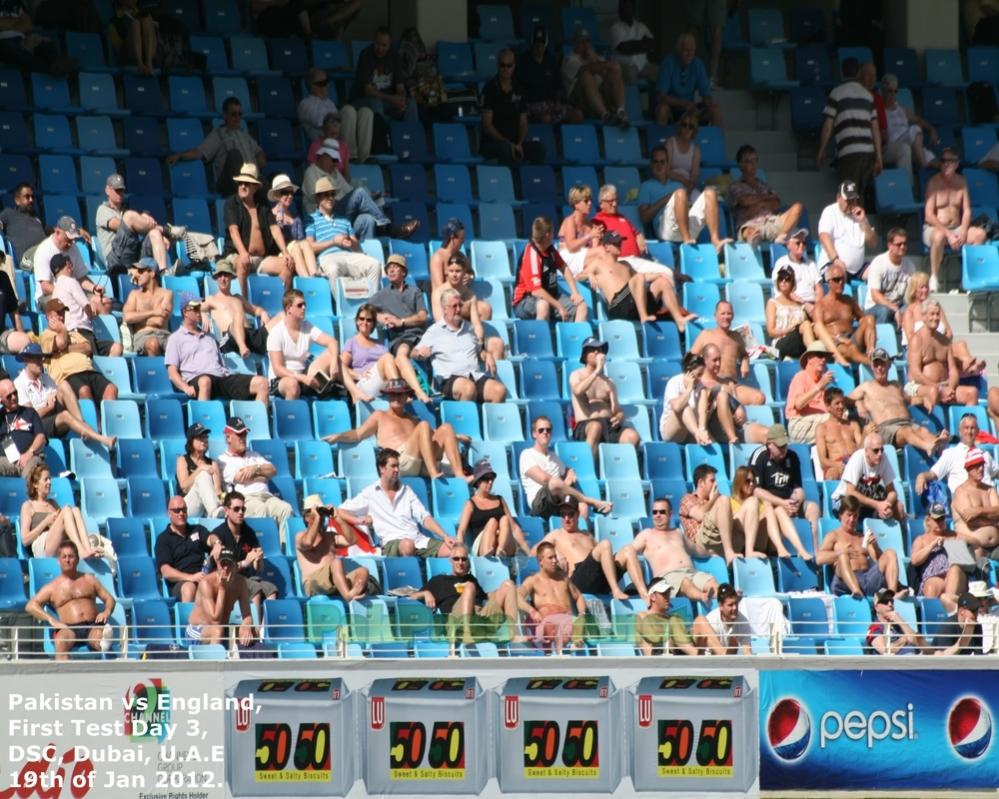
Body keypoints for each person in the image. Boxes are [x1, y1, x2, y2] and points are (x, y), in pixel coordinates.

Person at [326, 379, 470, 480]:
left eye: (400, 394)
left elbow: (434, 436)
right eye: (393, 394)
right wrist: (339, 436)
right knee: (424, 426)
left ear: (406, 396)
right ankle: (434, 474)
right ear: (388, 396)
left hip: (420, 461)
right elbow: (358, 434)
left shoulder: (412, 418)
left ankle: (460, 476)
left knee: (446, 428)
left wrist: (455, 436)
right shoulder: (379, 416)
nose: (396, 397)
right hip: (399, 462)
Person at [337, 448, 458, 557]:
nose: (397, 470)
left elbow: (424, 517)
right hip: (391, 543)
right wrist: (359, 520)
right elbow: (340, 511)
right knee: (407, 545)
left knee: (455, 551)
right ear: (382, 468)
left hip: (418, 540)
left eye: (398, 466)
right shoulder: (370, 493)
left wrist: (445, 536)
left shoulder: (407, 490)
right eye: (393, 466)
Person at [411, 542, 526, 645]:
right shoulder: (439, 580)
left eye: (463, 559)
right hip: (456, 621)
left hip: (479, 617)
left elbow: (485, 596)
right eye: (456, 559)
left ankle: (513, 634)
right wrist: (426, 593)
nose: (460, 562)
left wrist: (500, 593)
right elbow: (412, 597)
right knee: (469, 586)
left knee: (509, 584)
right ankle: (467, 633)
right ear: (450, 560)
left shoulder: (471, 578)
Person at [534, 498, 646, 602]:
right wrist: (556, 553)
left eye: (570, 514)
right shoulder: (556, 534)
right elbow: (534, 551)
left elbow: (602, 557)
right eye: (563, 515)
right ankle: (615, 590)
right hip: (578, 581)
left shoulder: (587, 535)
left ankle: (644, 594)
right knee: (605, 544)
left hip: (598, 579)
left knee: (629, 550)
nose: (566, 519)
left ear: (578, 515)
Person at [165, 296, 270, 403]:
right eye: (195, 309)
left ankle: (260, 419)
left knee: (262, 383)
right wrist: (185, 388)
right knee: (205, 381)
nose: (199, 311)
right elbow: (172, 372)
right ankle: (201, 419)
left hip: (220, 378)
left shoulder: (210, 337)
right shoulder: (175, 338)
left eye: (199, 308)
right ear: (185, 312)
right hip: (197, 379)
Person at [849, 347, 950, 457]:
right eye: (876, 365)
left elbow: (910, 399)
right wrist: (858, 404)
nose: (879, 368)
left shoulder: (896, 385)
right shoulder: (866, 387)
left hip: (907, 423)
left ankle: (939, 444)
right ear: (872, 367)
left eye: (882, 364)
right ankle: (927, 446)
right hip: (887, 428)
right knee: (907, 431)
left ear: (889, 366)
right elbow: (846, 399)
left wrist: (924, 400)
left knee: (922, 430)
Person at [302, 141, 414, 239]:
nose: (335, 163)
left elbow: (350, 192)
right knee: (360, 192)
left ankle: (367, 256)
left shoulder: (335, 172)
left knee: (367, 218)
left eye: (337, 160)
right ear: (322, 156)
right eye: (333, 159)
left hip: (341, 219)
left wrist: (369, 196)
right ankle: (389, 228)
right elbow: (318, 199)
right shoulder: (311, 172)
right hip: (324, 218)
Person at [412, 289, 507, 403]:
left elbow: (478, 351)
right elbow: (413, 353)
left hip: (474, 376)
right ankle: (468, 420)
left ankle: (490, 420)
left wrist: (486, 354)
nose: (458, 309)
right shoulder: (434, 331)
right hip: (449, 380)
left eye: (460, 306)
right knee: (468, 389)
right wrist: (419, 353)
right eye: (454, 306)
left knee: (499, 390)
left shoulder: (469, 328)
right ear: (444, 308)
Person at [13, 343, 115, 449]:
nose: (40, 362)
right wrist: (48, 408)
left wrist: (54, 394)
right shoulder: (19, 384)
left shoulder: (46, 378)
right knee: (65, 415)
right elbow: (30, 418)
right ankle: (101, 438)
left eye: (40, 358)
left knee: (64, 385)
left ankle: (82, 424)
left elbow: (59, 393)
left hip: (53, 417)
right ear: (26, 360)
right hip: (37, 425)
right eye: (35, 358)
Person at [25, 541, 115, 660]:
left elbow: (109, 598)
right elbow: (30, 606)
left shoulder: (89, 579)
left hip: (92, 625)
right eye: (64, 557)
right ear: (59, 561)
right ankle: (64, 676)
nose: (67, 560)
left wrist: (106, 611)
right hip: (69, 628)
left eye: (71, 556)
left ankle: (103, 643)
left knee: (99, 638)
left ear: (77, 559)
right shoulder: (52, 587)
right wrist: (51, 619)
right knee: (61, 642)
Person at [579, 230, 685, 327]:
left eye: (620, 243)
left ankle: (679, 320)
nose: (619, 246)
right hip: (618, 307)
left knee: (662, 282)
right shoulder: (598, 263)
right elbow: (578, 276)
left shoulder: (625, 264)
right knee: (639, 277)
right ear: (606, 247)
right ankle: (644, 317)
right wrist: (589, 275)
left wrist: (660, 275)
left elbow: (641, 279)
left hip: (633, 305)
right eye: (615, 244)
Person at [625, 496, 720, 602]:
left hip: (691, 572)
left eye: (662, 512)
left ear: (670, 514)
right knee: (685, 583)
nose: (658, 515)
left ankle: (727, 602)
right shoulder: (646, 535)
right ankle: (702, 597)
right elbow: (628, 552)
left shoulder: (678, 532)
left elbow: (695, 549)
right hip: (668, 577)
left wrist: (710, 553)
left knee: (711, 581)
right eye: (655, 512)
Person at [637, 145, 730, 252]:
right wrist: (665, 200)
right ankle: (686, 241)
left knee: (710, 193)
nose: (659, 165)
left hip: (685, 224)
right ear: (651, 164)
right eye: (656, 162)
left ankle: (715, 241)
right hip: (666, 229)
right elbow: (644, 217)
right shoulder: (646, 186)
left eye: (662, 162)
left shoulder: (677, 185)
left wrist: (686, 206)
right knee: (680, 193)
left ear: (667, 165)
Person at [166, 97, 266, 196]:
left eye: (240, 114)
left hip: (251, 182)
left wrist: (260, 156)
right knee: (234, 155)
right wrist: (179, 155)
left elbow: (258, 151)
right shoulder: (218, 134)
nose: (237, 117)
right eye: (234, 114)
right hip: (229, 183)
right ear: (225, 115)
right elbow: (199, 152)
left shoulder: (245, 135)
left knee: (269, 182)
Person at [222, 163, 295, 297]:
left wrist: (285, 252)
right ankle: (243, 306)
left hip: (261, 259)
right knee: (241, 262)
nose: (242, 186)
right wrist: (243, 253)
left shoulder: (263, 206)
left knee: (287, 266)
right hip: (236, 254)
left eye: (247, 183)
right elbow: (233, 230)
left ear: (255, 187)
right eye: (240, 183)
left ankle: (281, 307)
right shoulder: (231, 203)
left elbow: (274, 229)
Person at [519, 415, 612, 518]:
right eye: (541, 430)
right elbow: (544, 480)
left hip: (559, 500)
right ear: (534, 434)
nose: (545, 432)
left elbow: (566, 470)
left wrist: (570, 472)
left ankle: (580, 533)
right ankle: (592, 501)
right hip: (540, 503)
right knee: (554, 483)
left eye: (548, 430)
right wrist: (563, 484)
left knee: (583, 507)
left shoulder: (553, 456)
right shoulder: (527, 454)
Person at [817, 57, 882, 202]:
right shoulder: (868, 96)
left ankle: (855, 224)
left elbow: (828, 126)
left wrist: (821, 150)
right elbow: (875, 130)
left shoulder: (836, 93)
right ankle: (860, 223)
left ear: (842, 73)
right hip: (867, 155)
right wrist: (879, 157)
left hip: (849, 155)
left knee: (850, 198)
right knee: (860, 196)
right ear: (858, 73)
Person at [750, 423, 820, 557]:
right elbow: (756, 491)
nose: (784, 449)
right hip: (769, 505)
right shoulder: (760, 457)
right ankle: (793, 549)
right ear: (769, 444)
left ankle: (815, 551)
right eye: (780, 446)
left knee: (813, 508)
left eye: (785, 445)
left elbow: (798, 488)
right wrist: (782, 503)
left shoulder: (792, 457)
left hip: (788, 502)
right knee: (778, 509)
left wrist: (796, 502)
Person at [923, 148, 988, 291]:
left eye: (950, 161)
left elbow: (967, 210)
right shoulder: (934, 182)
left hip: (957, 228)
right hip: (935, 229)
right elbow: (928, 214)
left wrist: (964, 230)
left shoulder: (962, 182)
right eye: (943, 161)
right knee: (939, 236)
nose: (946, 164)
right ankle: (934, 277)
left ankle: (966, 278)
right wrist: (948, 234)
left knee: (979, 234)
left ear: (957, 164)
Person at [94, 173, 184, 276]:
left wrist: (157, 234)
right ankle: (167, 230)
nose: (120, 193)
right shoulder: (102, 209)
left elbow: (135, 229)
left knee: (154, 233)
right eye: (116, 190)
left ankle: (164, 272)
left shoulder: (125, 210)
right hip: (115, 258)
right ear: (107, 190)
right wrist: (144, 224)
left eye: (122, 190)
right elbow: (118, 225)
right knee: (130, 217)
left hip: (133, 253)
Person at [303, 175, 383, 292]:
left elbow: (356, 247)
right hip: (328, 257)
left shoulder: (344, 219)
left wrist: (350, 242)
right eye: (326, 194)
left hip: (349, 256)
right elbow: (310, 246)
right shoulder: (311, 219)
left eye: (333, 194)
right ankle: (341, 306)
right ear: (318, 198)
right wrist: (333, 242)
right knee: (333, 269)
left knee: (375, 265)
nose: (331, 198)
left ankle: (370, 305)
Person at [816, 495, 906, 598]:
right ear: (841, 515)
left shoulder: (862, 538)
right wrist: (840, 553)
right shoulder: (833, 536)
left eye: (855, 516)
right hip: (844, 583)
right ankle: (856, 591)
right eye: (849, 515)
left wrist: (874, 545)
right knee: (843, 556)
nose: (852, 519)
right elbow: (819, 559)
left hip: (866, 579)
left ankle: (891, 595)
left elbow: (878, 560)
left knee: (890, 553)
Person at [369, 254, 431, 402]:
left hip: (421, 336)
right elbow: (365, 310)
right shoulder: (382, 294)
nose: (391, 271)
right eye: (389, 268)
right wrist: (381, 317)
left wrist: (401, 321)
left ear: (404, 272)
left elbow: (423, 316)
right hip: (400, 338)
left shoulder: (414, 291)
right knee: (402, 354)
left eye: (395, 267)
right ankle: (419, 392)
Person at [216, 417, 293, 536]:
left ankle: (283, 549)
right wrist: (262, 475)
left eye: (245, 434)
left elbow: (273, 470)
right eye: (239, 435)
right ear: (228, 438)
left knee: (286, 509)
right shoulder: (222, 460)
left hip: (267, 497)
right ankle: (262, 550)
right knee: (260, 509)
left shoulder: (254, 455)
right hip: (246, 498)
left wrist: (255, 468)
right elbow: (241, 477)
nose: (243, 438)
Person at [207, 491, 278, 619]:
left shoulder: (248, 532)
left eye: (243, 509)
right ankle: (253, 630)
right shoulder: (221, 533)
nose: (241, 512)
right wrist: (246, 562)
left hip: (248, 578)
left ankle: (265, 630)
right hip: (229, 580)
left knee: (271, 589)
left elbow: (259, 569)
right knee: (255, 588)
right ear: (227, 511)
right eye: (236, 509)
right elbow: (224, 571)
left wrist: (258, 560)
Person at [570, 336, 641, 458]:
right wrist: (597, 371)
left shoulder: (609, 382)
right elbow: (578, 390)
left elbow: (617, 410)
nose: (597, 352)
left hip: (608, 425)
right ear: (585, 355)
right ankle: (590, 470)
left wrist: (619, 417)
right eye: (593, 349)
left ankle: (619, 471)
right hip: (586, 424)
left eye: (600, 349)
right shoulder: (577, 375)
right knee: (595, 427)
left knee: (633, 437)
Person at [430, 253, 506, 363]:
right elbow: (441, 323)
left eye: (458, 271)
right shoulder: (438, 293)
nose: (454, 275)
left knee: (497, 344)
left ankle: (492, 378)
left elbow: (476, 324)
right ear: (446, 272)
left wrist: (479, 342)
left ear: (465, 273)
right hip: (449, 340)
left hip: (469, 339)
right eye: (451, 271)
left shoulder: (470, 295)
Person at [902, 272, 983, 373]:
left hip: (941, 345)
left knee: (961, 345)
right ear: (914, 290)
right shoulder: (910, 312)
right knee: (951, 350)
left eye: (926, 287)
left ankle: (969, 365)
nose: (925, 290)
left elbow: (949, 332)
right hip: (921, 349)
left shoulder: (935, 307)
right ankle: (967, 367)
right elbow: (911, 338)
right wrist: (932, 342)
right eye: (921, 287)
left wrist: (942, 342)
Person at [295, 496, 372, 600]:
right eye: (318, 513)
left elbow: (352, 540)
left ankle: (354, 592)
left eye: (322, 514)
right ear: (307, 517)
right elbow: (308, 543)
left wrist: (338, 518)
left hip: (335, 581)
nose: (321, 517)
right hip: (313, 582)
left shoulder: (329, 536)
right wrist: (317, 518)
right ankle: (348, 596)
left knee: (363, 571)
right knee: (336, 562)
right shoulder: (300, 536)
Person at [266, 289, 339, 401]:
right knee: (292, 385)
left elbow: (332, 342)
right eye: (300, 305)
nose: (304, 308)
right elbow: (278, 369)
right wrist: (301, 378)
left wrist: (334, 363)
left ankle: (350, 394)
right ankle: (290, 417)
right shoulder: (276, 333)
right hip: (282, 380)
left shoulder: (307, 327)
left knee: (332, 354)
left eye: (305, 304)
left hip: (303, 375)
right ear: (289, 308)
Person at [907, 299, 979, 410]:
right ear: (924, 316)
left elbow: (953, 370)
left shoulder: (945, 341)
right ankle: (938, 427)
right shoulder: (917, 339)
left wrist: (950, 388)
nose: (935, 318)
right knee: (933, 391)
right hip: (918, 386)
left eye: (937, 314)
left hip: (944, 385)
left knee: (972, 393)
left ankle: (965, 425)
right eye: (932, 314)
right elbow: (915, 373)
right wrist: (938, 388)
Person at [513, 216, 588, 322]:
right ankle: (542, 338)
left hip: (551, 297)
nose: (554, 235)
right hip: (524, 301)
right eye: (553, 233)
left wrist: (575, 292)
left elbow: (564, 268)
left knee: (581, 307)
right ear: (547, 235)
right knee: (543, 306)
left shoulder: (550, 250)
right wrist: (559, 306)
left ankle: (577, 338)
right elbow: (536, 291)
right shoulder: (532, 254)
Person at [517, 541, 588, 653]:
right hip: (548, 630)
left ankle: (570, 646)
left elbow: (578, 596)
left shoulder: (564, 579)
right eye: (550, 558)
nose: (555, 561)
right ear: (540, 561)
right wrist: (532, 611)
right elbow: (517, 597)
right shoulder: (533, 581)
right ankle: (567, 647)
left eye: (555, 557)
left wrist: (582, 614)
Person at [691, 301, 766, 405]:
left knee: (759, 398)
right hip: (711, 383)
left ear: (733, 316)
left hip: (732, 384)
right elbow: (690, 360)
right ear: (715, 316)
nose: (726, 317)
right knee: (723, 398)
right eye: (722, 313)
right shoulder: (706, 334)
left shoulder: (736, 337)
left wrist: (745, 362)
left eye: (729, 313)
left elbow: (744, 354)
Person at [50, 252, 122, 357]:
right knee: (97, 359)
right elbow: (86, 306)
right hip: (81, 333)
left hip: (74, 334)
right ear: (68, 264)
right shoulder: (71, 282)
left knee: (116, 348)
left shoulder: (56, 290)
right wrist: (92, 314)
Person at [480, 48, 544, 165]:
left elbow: (523, 122)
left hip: (515, 142)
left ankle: (533, 181)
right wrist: (507, 143)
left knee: (538, 148)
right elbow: (487, 125)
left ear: (514, 66)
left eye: (509, 66)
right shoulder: (489, 88)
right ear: (497, 66)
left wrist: (519, 143)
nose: (505, 69)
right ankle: (509, 181)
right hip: (493, 143)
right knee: (505, 149)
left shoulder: (519, 88)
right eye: (502, 65)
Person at [727, 146, 803, 244]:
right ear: (741, 165)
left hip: (772, 221)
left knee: (798, 207)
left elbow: (776, 204)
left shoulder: (764, 185)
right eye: (749, 161)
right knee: (750, 233)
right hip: (750, 224)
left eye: (755, 160)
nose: (754, 165)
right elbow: (745, 201)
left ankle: (782, 236)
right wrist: (766, 198)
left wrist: (758, 204)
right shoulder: (735, 186)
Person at [697, 344, 769, 445]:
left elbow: (737, 406)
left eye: (719, 360)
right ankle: (733, 439)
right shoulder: (699, 384)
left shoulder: (728, 382)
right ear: (705, 360)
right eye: (714, 360)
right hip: (716, 429)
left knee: (769, 435)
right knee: (722, 395)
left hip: (738, 427)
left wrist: (739, 411)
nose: (718, 364)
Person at [19, 463, 95, 559]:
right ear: (35, 484)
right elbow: (25, 540)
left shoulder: (52, 503)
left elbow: (62, 526)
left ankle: (87, 549)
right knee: (67, 509)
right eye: (45, 479)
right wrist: (45, 522)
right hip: (41, 546)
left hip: (58, 543)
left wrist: (54, 523)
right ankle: (79, 550)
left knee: (75, 510)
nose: (50, 482)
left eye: (50, 479)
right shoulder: (28, 506)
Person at [185, 546, 256, 648]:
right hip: (198, 630)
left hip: (223, 628)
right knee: (217, 631)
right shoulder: (206, 583)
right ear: (218, 565)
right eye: (223, 564)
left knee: (252, 633)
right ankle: (213, 663)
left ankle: (243, 661)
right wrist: (222, 588)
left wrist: (246, 626)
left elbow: (247, 615)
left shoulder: (240, 583)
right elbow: (215, 620)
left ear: (235, 566)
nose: (225, 568)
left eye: (229, 564)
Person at [199, 259, 271, 357]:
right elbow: (194, 307)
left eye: (226, 275)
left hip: (249, 336)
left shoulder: (238, 298)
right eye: (220, 275)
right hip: (229, 339)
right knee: (237, 316)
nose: (223, 278)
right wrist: (203, 314)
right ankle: (242, 347)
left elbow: (255, 310)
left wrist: (263, 313)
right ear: (216, 278)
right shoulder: (212, 299)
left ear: (232, 277)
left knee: (281, 317)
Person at [456, 459, 529, 557]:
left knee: (505, 519)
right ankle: (490, 552)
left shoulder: (500, 499)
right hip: (483, 543)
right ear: (478, 481)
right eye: (486, 478)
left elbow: (514, 527)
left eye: (492, 478)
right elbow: (461, 531)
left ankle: (500, 550)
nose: (490, 482)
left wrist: (527, 550)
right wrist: (459, 551)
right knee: (492, 522)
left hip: (504, 543)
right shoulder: (470, 504)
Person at [297, 67, 371, 163]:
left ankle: (364, 157)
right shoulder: (305, 103)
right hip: (324, 140)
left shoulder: (329, 102)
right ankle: (350, 156)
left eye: (327, 82)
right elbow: (322, 122)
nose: (327, 85)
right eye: (323, 83)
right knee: (348, 111)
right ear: (313, 86)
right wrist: (338, 117)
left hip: (337, 135)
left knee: (366, 112)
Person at [915, 413, 999, 496]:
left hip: (991, 502)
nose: (969, 431)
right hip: (965, 503)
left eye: (972, 428)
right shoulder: (950, 454)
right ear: (960, 431)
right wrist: (921, 476)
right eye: (966, 428)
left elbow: (996, 473)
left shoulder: (985, 454)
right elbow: (933, 474)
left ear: (977, 431)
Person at [830, 432, 906, 522]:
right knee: (852, 509)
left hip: (866, 503)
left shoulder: (883, 458)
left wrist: (886, 505)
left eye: (882, 450)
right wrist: (877, 505)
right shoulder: (858, 458)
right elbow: (850, 492)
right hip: (844, 500)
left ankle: (899, 534)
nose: (880, 454)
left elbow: (892, 491)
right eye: (876, 450)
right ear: (866, 451)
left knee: (899, 507)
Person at [32, 217, 102, 312]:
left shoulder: (73, 248)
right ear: (57, 232)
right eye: (68, 239)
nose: (71, 243)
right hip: (48, 296)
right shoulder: (43, 250)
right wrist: (70, 293)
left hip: (73, 292)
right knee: (71, 305)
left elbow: (81, 277)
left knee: (102, 303)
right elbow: (46, 287)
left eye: (73, 239)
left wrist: (93, 288)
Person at [812, 262, 876, 366]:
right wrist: (838, 338)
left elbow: (863, 319)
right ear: (829, 283)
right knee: (850, 349)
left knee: (870, 318)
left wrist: (867, 326)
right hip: (835, 343)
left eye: (843, 279)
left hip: (852, 339)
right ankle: (873, 363)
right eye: (837, 280)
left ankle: (871, 353)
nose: (841, 283)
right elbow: (818, 331)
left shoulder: (848, 300)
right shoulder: (820, 305)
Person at [562, 28, 628, 127]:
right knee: (586, 75)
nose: (586, 45)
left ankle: (620, 112)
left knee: (615, 72)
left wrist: (595, 59)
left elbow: (609, 74)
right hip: (579, 102)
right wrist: (596, 63)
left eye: (587, 41)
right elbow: (584, 70)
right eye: (582, 42)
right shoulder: (569, 60)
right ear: (575, 44)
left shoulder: (597, 58)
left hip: (599, 97)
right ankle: (605, 115)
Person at [350, 25, 417, 123]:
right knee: (376, 103)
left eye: (384, 45)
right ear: (373, 41)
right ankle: (382, 137)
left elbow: (400, 87)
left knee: (410, 104)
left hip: (388, 102)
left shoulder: (394, 56)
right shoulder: (365, 55)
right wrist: (391, 99)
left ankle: (410, 136)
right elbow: (368, 91)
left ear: (390, 44)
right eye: (377, 44)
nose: (380, 48)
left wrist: (401, 97)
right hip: (364, 100)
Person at [154, 495, 213, 603]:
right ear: (169, 513)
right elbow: (166, 571)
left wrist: (216, 542)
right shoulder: (163, 539)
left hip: (202, 577)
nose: (181, 513)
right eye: (177, 510)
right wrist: (190, 577)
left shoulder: (197, 530)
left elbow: (210, 538)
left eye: (184, 510)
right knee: (189, 588)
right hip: (180, 583)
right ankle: (188, 619)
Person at [654, 33, 721, 126]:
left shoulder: (697, 64)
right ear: (679, 50)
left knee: (715, 110)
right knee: (662, 109)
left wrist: (708, 102)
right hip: (672, 109)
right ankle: (661, 139)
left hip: (690, 110)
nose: (690, 54)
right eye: (686, 50)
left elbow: (706, 94)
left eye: (692, 51)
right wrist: (684, 104)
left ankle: (717, 140)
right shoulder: (668, 63)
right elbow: (661, 97)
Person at [680, 464, 741, 565]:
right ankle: (729, 552)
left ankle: (752, 551)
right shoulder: (688, 498)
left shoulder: (718, 499)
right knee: (723, 500)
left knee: (751, 504)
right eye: (712, 481)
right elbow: (699, 515)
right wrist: (713, 500)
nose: (716, 484)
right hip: (701, 543)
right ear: (700, 483)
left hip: (720, 539)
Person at [817, 181, 878, 280]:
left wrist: (864, 222)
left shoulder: (858, 214)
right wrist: (835, 260)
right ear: (838, 198)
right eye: (848, 200)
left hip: (858, 269)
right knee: (838, 274)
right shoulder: (830, 211)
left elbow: (873, 243)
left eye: (854, 200)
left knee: (880, 273)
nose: (851, 204)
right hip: (833, 265)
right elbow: (824, 237)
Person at [880, 73, 938, 175]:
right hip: (892, 144)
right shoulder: (879, 111)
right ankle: (923, 166)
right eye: (890, 91)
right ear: (883, 91)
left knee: (931, 158)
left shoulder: (901, 109)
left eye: (895, 91)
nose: (893, 94)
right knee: (915, 129)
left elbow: (918, 119)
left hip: (909, 143)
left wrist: (931, 129)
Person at [911, 502, 970, 601]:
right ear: (928, 520)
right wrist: (932, 545)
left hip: (955, 576)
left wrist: (955, 542)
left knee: (955, 569)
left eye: (942, 519)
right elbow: (915, 560)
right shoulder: (921, 539)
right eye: (937, 519)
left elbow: (976, 541)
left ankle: (951, 609)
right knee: (931, 587)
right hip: (934, 577)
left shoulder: (953, 535)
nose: (940, 522)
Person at [268, 174, 318, 280]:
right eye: (285, 192)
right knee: (296, 247)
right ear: (277, 195)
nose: (290, 196)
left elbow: (300, 239)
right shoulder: (271, 215)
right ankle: (307, 281)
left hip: (296, 250)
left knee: (304, 243)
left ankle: (314, 277)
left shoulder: (294, 216)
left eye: (291, 192)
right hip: (280, 253)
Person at [951, 448, 999, 556]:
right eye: (977, 466)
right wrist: (993, 521)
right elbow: (971, 521)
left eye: (982, 465)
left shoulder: (989, 489)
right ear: (968, 469)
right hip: (973, 547)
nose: (981, 469)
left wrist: (979, 511)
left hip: (996, 546)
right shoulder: (961, 492)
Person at [634, 579, 701, 656]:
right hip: (657, 655)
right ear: (652, 597)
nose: (667, 597)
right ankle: (697, 654)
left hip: (677, 653)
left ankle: (711, 655)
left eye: (668, 593)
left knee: (701, 620)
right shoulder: (642, 615)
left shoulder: (673, 617)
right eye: (663, 594)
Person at [785, 341, 835, 443]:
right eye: (820, 355)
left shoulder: (822, 381)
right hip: (799, 424)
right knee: (834, 421)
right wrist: (819, 386)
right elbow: (799, 404)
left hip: (816, 422)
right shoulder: (801, 377)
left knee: (844, 419)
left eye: (825, 356)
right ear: (809, 359)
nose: (824, 359)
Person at [121, 257, 172, 356]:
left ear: (152, 273)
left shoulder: (166, 294)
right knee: (153, 344)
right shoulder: (134, 294)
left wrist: (137, 318)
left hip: (165, 336)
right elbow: (127, 317)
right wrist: (153, 312)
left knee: (185, 346)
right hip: (143, 336)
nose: (137, 275)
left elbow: (159, 321)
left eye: (141, 271)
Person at [659, 351, 711, 443]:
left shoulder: (700, 386)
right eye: (698, 374)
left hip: (689, 431)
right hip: (671, 430)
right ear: (689, 371)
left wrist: (702, 429)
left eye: (702, 374)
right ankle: (697, 434)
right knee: (684, 406)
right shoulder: (674, 382)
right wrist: (689, 389)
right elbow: (677, 407)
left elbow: (702, 411)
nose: (700, 378)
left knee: (711, 444)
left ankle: (699, 434)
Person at [865, 228, 914, 325]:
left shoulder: (910, 266)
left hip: (898, 305)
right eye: (898, 244)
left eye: (905, 243)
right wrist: (893, 308)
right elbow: (875, 295)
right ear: (890, 246)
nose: (902, 246)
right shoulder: (879, 262)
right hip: (875, 307)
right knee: (885, 311)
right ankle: (880, 338)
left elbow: (912, 294)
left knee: (912, 310)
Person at [175, 423, 224, 519]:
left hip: (206, 505)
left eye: (205, 437)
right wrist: (200, 469)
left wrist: (225, 500)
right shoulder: (182, 460)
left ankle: (214, 512)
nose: (204, 440)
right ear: (191, 441)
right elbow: (184, 488)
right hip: (187, 507)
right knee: (203, 475)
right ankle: (214, 512)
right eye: (200, 438)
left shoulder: (212, 463)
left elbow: (218, 491)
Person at [766, 267, 814, 361]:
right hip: (782, 340)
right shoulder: (773, 303)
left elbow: (814, 316)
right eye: (780, 278)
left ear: (793, 283)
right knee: (806, 325)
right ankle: (813, 356)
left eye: (787, 279)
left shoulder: (799, 303)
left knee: (814, 326)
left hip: (799, 340)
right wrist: (786, 331)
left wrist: (802, 301)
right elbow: (771, 331)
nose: (783, 281)